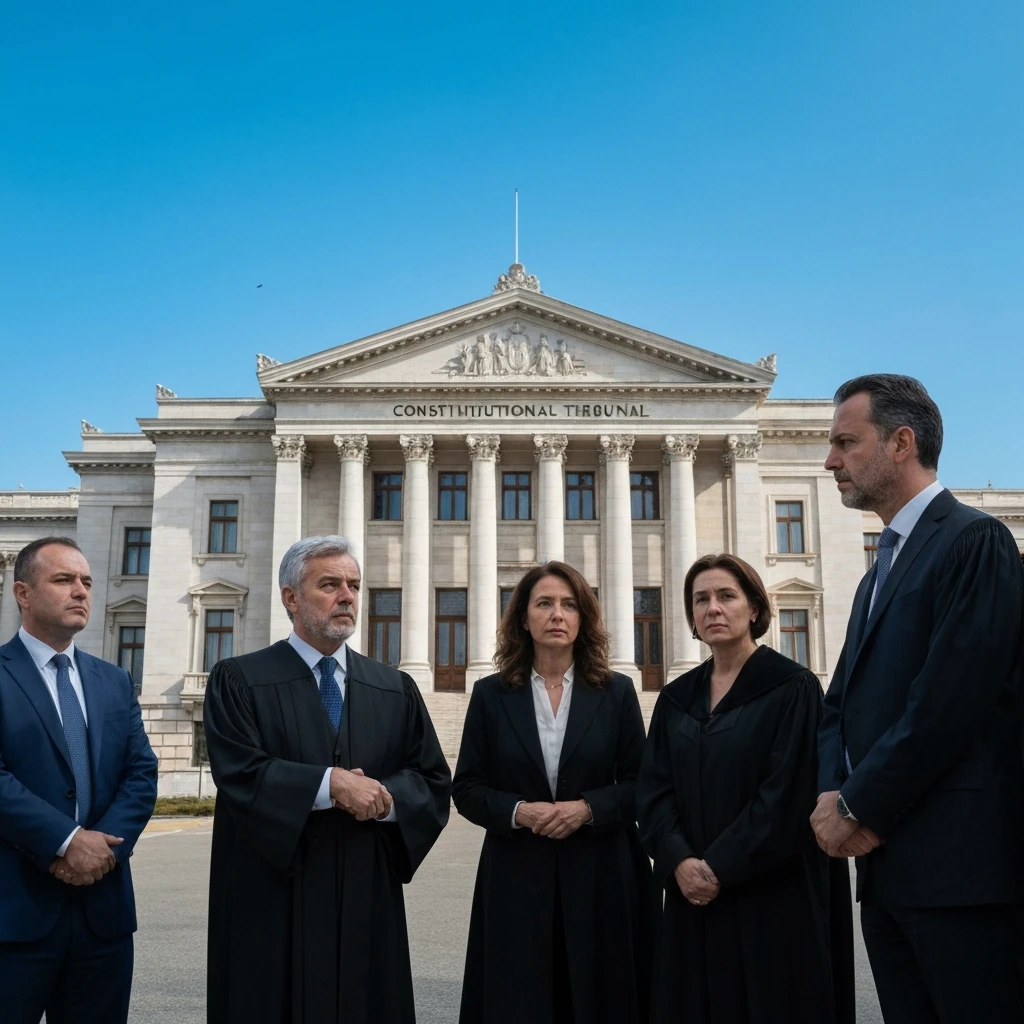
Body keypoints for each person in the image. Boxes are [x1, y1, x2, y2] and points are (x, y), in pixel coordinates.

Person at [814, 374, 1024, 1023]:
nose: (829, 460)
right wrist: (830, 795)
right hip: (887, 872)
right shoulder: (879, 569)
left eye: (846, 442)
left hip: (959, 871)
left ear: (901, 442)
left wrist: (857, 802)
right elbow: (838, 704)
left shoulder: (973, 541)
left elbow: (949, 703)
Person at [203, 536, 451, 1024]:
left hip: (366, 895)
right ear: (290, 597)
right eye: (330, 584)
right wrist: (330, 785)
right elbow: (240, 772)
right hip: (272, 897)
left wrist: (383, 799)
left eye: (354, 585)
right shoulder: (239, 679)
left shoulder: (394, 687)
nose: (348, 597)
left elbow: (431, 779)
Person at [636, 553, 855, 1024]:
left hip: (771, 896)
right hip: (691, 895)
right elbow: (653, 794)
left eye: (726, 596)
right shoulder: (677, 698)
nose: (713, 608)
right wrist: (679, 861)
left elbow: (788, 796)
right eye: (701, 600)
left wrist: (716, 868)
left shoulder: (793, 688)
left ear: (754, 608)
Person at [452, 561, 658, 1024]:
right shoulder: (490, 695)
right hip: (517, 875)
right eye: (544, 603)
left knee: (599, 998)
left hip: (602, 872)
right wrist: (518, 811)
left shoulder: (617, 692)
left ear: (583, 617)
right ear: (523, 618)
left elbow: (640, 785)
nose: (557, 614)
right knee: (520, 998)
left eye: (569, 605)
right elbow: (466, 787)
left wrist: (587, 809)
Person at [0, 537, 158, 1024]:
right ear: (22, 592)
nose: (81, 592)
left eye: (87, 581)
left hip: (103, 916)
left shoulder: (113, 679)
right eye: (64, 580)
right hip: (14, 916)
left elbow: (141, 773)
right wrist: (65, 841)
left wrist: (103, 850)